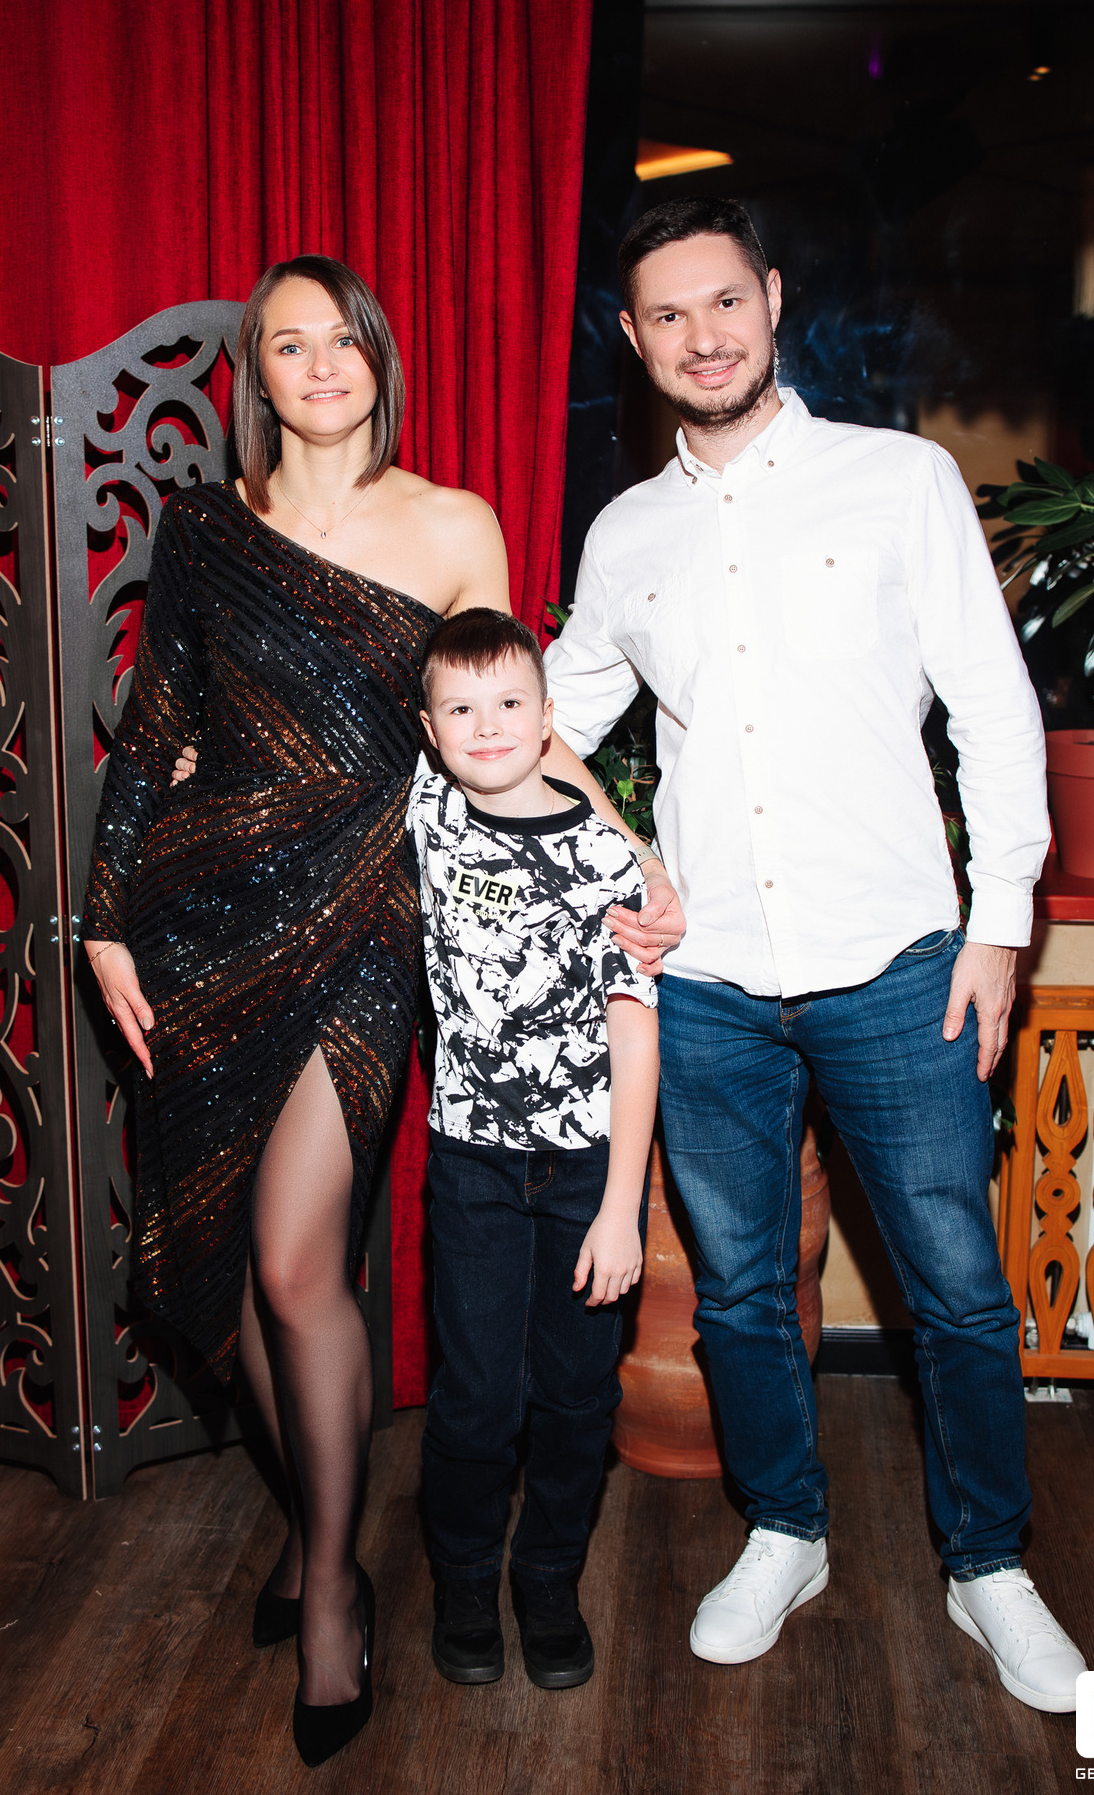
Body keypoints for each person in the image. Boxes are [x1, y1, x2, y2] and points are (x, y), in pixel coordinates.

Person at [83, 255, 680, 1767]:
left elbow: (516, 718)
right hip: (203, 921)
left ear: (378, 358)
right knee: (224, 1277)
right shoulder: (205, 529)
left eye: (342, 338)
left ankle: (337, 1588)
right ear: (258, 374)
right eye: (289, 344)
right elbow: (155, 729)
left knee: (299, 1268)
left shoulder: (454, 523)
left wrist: (627, 852)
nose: (320, 363)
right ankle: (312, 1532)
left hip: (363, 920)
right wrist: (102, 920)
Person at [543, 197, 1088, 1714]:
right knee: (734, 1290)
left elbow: (991, 707)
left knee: (956, 1289)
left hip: (899, 963)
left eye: (725, 301)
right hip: (707, 979)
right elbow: (550, 728)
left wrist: (1000, 925)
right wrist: (593, 851)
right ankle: (785, 1529)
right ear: (634, 340)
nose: (702, 335)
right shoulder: (627, 533)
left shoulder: (899, 480)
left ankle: (988, 1564)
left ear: (774, 300)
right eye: (667, 315)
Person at [408, 608, 659, 1692]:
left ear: (549, 719)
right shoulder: (427, 808)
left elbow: (634, 1036)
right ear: (429, 732)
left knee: (575, 1394)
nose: (487, 726)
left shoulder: (606, 857)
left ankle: (547, 1577)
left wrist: (621, 1210)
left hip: (585, 1173)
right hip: (469, 1164)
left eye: (510, 703)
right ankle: (464, 1580)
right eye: (460, 710)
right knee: (474, 1397)